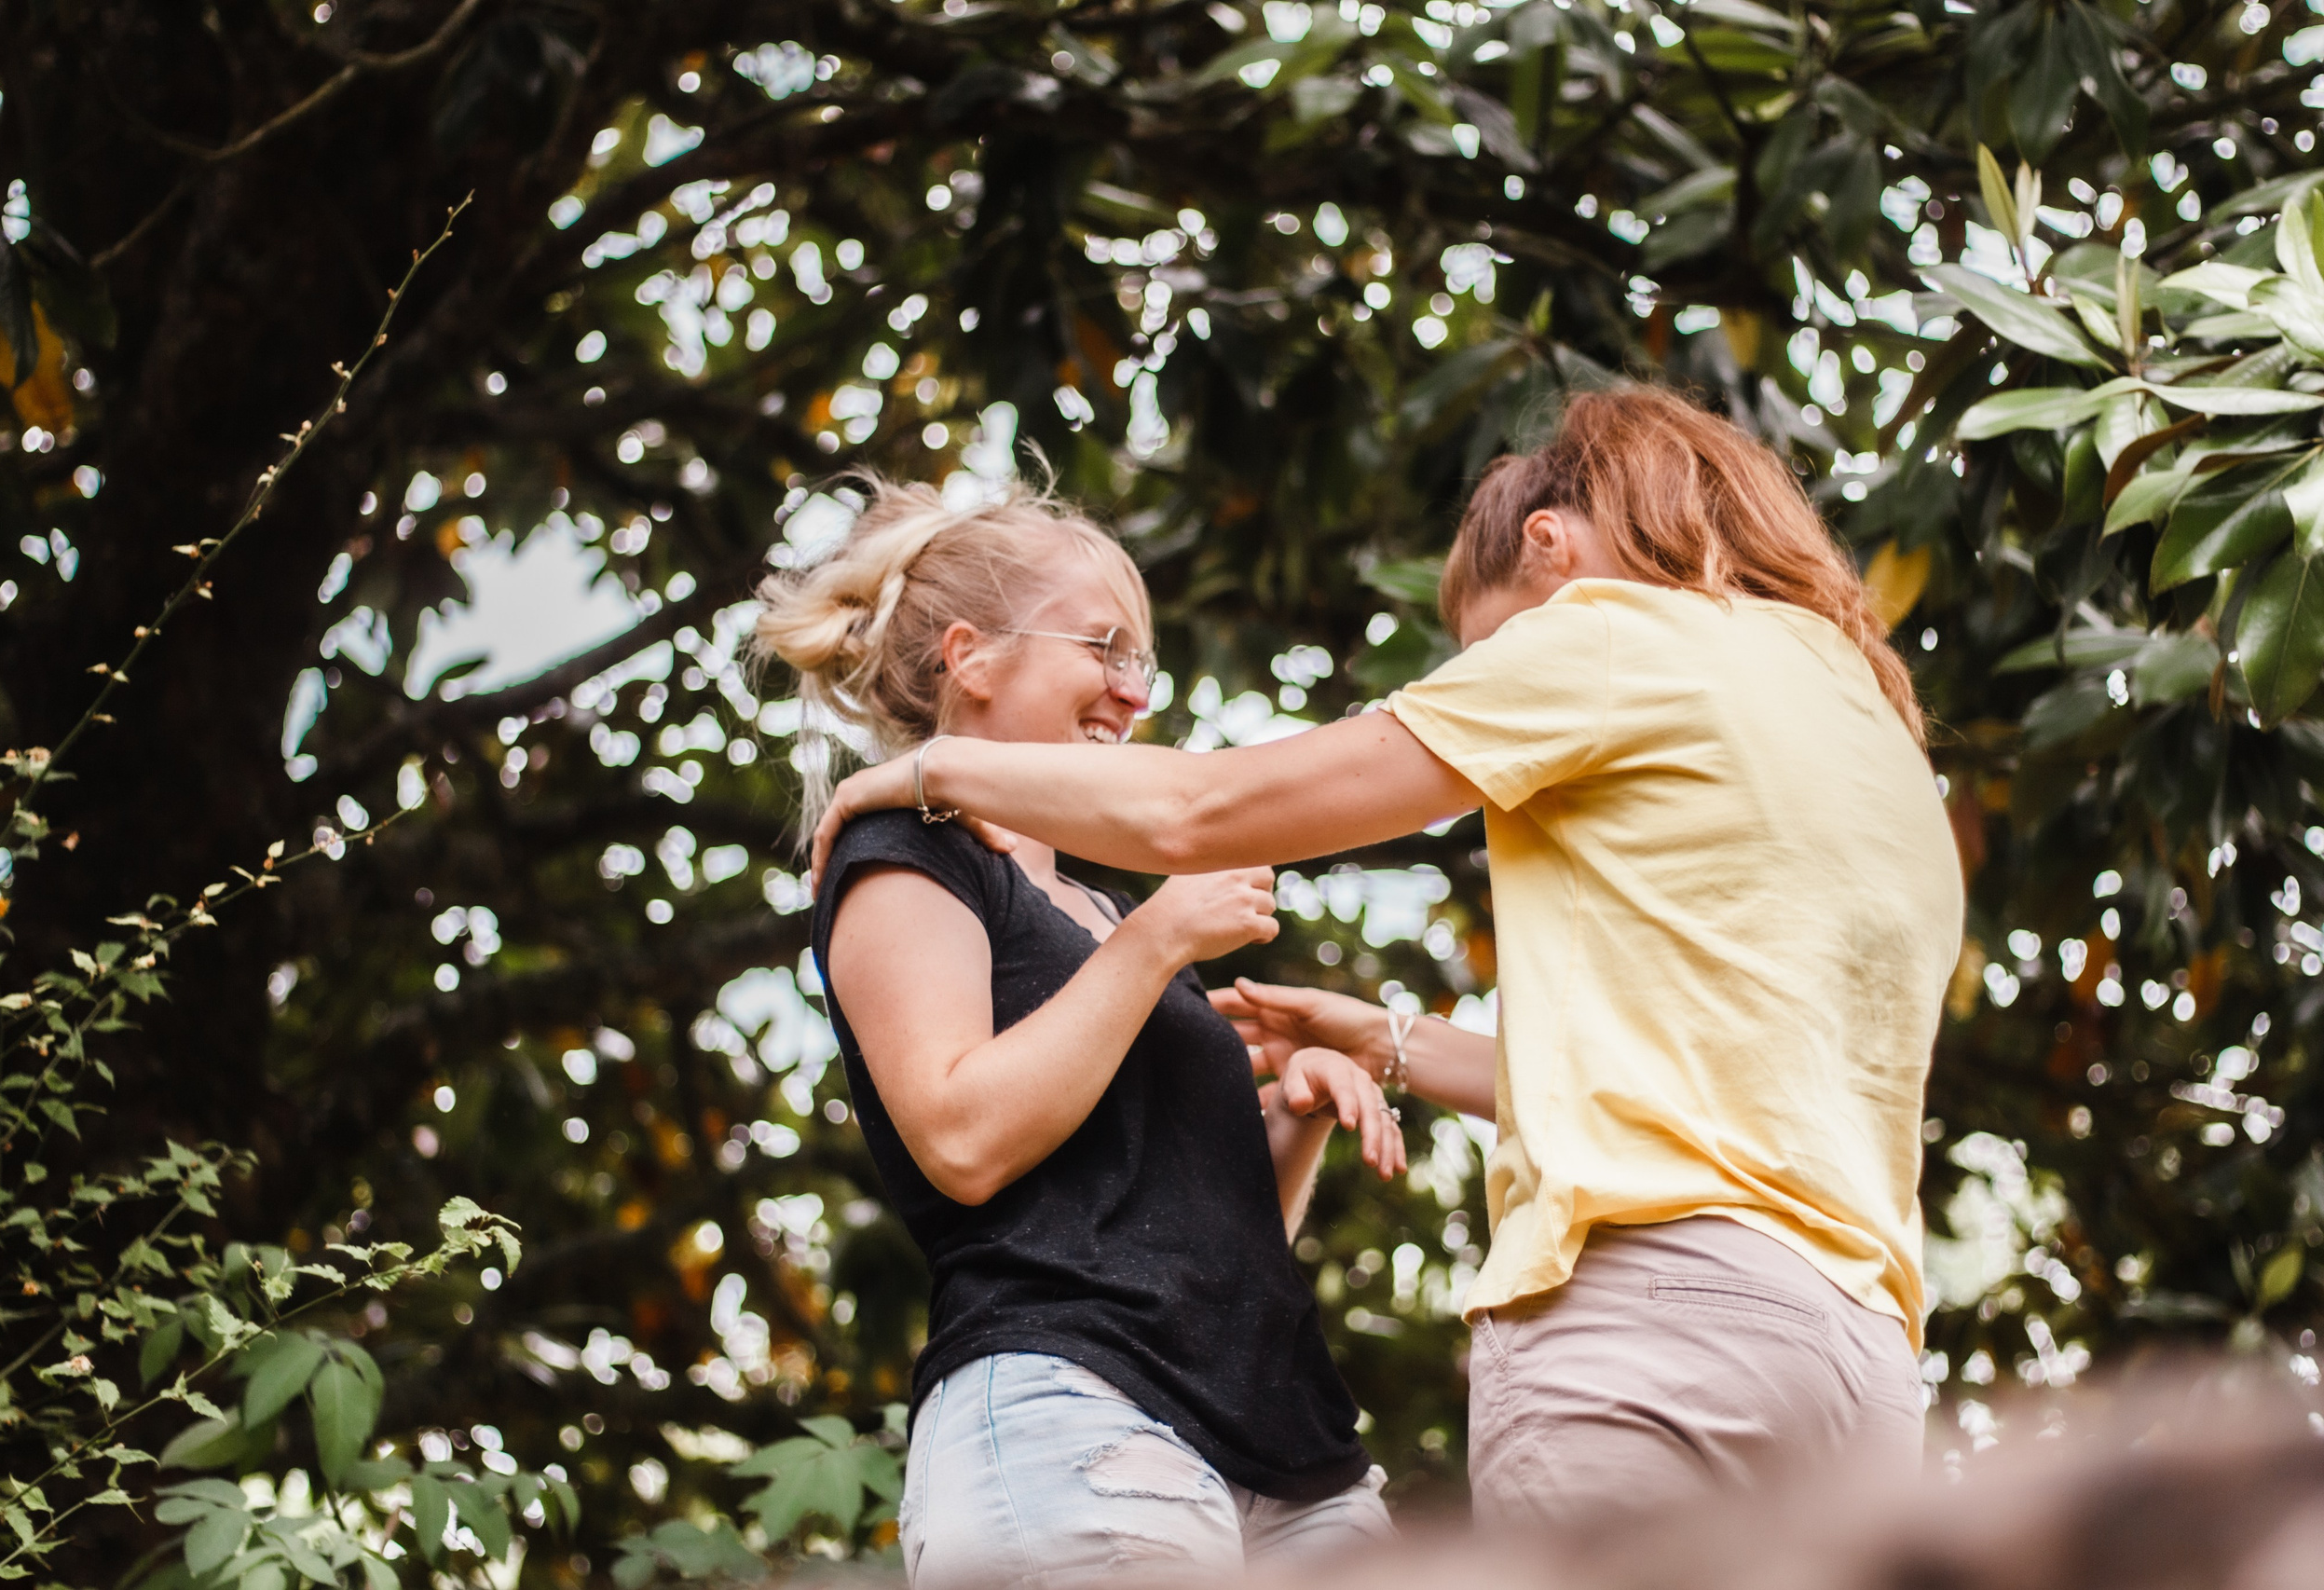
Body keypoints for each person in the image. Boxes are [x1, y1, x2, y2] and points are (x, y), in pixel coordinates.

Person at [808, 386, 1966, 1523]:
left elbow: (1197, 811)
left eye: (1491, 654)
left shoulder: (1611, 637)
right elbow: (1676, 1087)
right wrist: (1386, 1042)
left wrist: (919, 770)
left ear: (1551, 548)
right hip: (1857, 1346)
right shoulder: (1861, 710)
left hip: (1654, 1326)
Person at [752, 478, 1401, 1588]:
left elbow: (1170, 1231)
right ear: (974, 657)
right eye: (1103, 648)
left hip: (1287, 1451)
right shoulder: (905, 859)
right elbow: (959, 1138)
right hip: (1073, 1407)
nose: (1130, 692)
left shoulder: (1101, 908)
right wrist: (1154, 946)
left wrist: (1293, 1116)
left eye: (1140, 663)